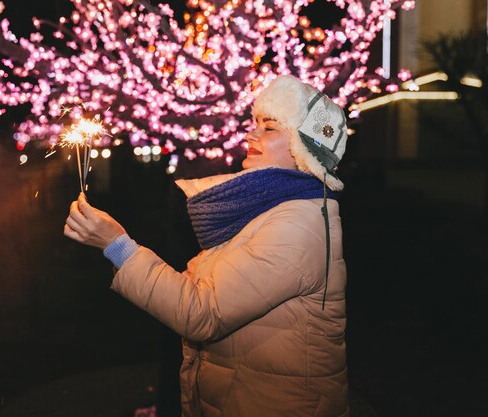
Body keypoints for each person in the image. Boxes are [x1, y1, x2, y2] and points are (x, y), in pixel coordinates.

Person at [64, 75, 349, 417]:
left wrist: (117, 244)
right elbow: (201, 287)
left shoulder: (298, 224)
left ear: (304, 150)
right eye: (254, 123)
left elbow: (203, 313)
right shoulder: (262, 209)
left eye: (269, 128)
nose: (251, 134)